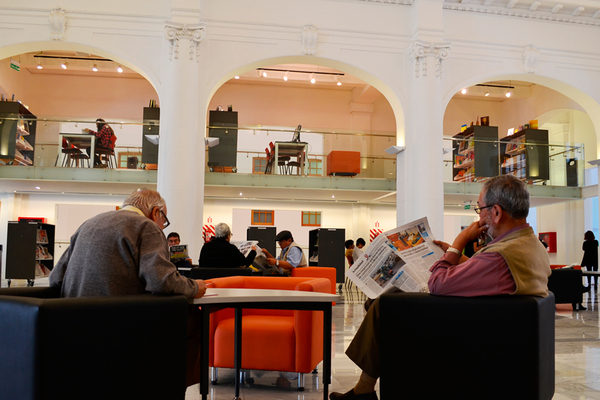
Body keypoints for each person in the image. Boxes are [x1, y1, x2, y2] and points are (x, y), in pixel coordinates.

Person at [330, 175, 551, 400]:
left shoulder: (500, 255)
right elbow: (488, 273)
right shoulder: (527, 244)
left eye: (480, 209)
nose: (479, 216)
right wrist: (452, 255)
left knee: (383, 305)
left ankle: (363, 390)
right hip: (492, 328)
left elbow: (437, 283)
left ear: (495, 212)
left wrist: (459, 241)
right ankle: (363, 389)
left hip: (466, 335)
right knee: (379, 303)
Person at [49, 188, 207, 387]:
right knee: (196, 319)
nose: (163, 227)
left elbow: (55, 279)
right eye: (163, 220)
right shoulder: (147, 226)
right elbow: (162, 281)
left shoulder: (87, 224)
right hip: (123, 328)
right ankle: (170, 388)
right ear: (156, 212)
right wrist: (194, 287)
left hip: (73, 329)